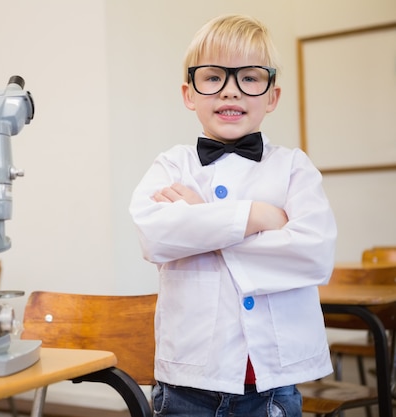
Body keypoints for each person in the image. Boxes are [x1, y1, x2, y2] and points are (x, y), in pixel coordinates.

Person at [129, 14, 337, 417]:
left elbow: (314, 254)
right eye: (213, 78)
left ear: (272, 96)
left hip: (272, 385)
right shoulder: (172, 165)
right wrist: (259, 216)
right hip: (187, 383)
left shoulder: (295, 167)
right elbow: (154, 236)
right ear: (189, 93)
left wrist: (203, 221)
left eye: (250, 78)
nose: (231, 92)